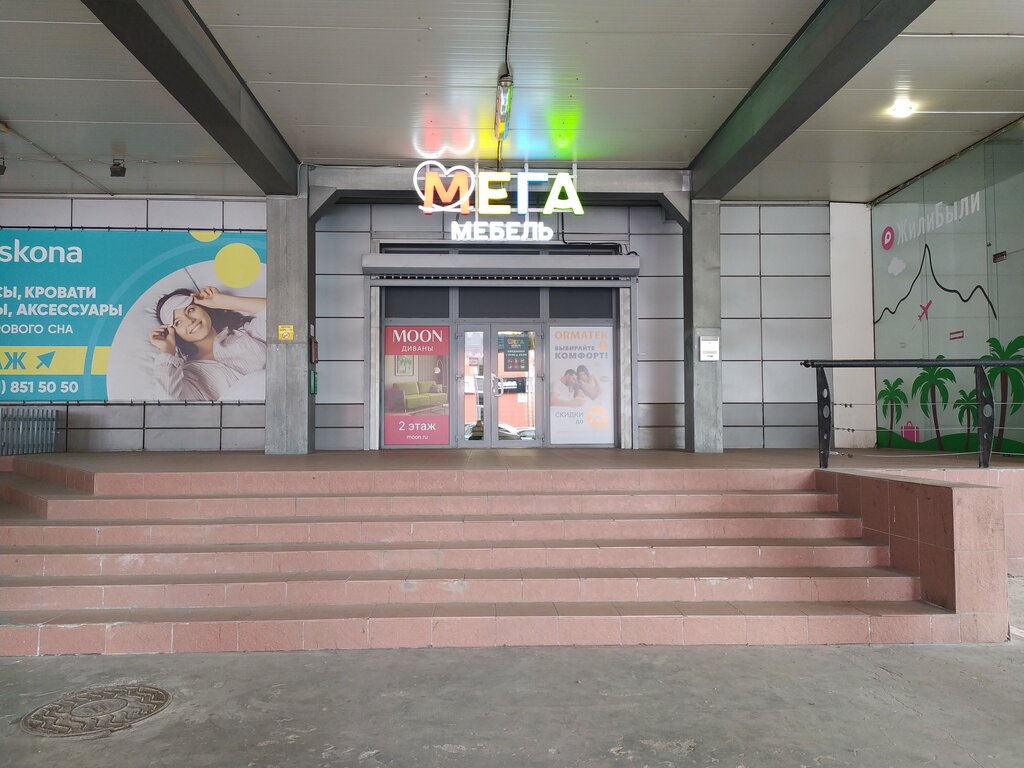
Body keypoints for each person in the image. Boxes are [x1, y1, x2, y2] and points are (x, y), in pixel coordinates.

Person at [149, 286, 266, 400]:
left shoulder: (247, 333)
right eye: (178, 322)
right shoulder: (187, 376)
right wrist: (167, 351)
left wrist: (225, 302)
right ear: (174, 333)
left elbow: (277, 315)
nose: (190, 321)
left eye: (190, 310)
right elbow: (167, 404)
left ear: (203, 308)